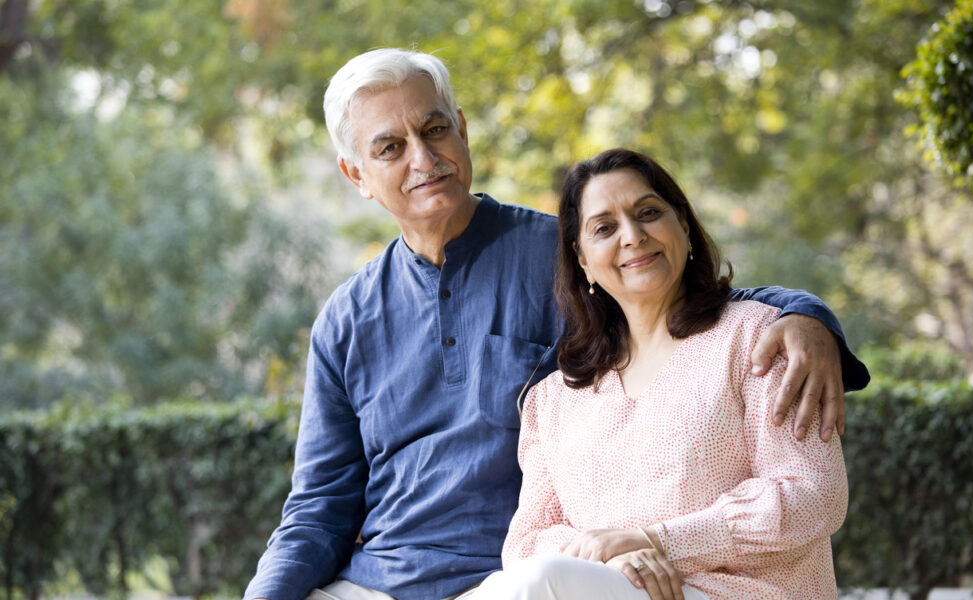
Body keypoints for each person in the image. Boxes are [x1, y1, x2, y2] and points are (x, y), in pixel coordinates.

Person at [243, 49, 869, 600]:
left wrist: (805, 314)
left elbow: (675, 290)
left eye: (435, 129)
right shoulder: (345, 320)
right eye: (390, 147)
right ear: (356, 174)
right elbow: (317, 508)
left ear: (462, 131)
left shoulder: (565, 256)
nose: (424, 158)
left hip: (518, 580)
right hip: (377, 582)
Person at [474, 149, 849, 600]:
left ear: (684, 227)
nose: (632, 236)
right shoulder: (554, 399)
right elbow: (527, 543)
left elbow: (814, 495)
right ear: (582, 260)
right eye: (604, 228)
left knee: (541, 585)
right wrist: (610, 556)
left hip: (738, 593)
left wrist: (660, 542)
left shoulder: (759, 340)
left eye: (648, 213)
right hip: (600, 590)